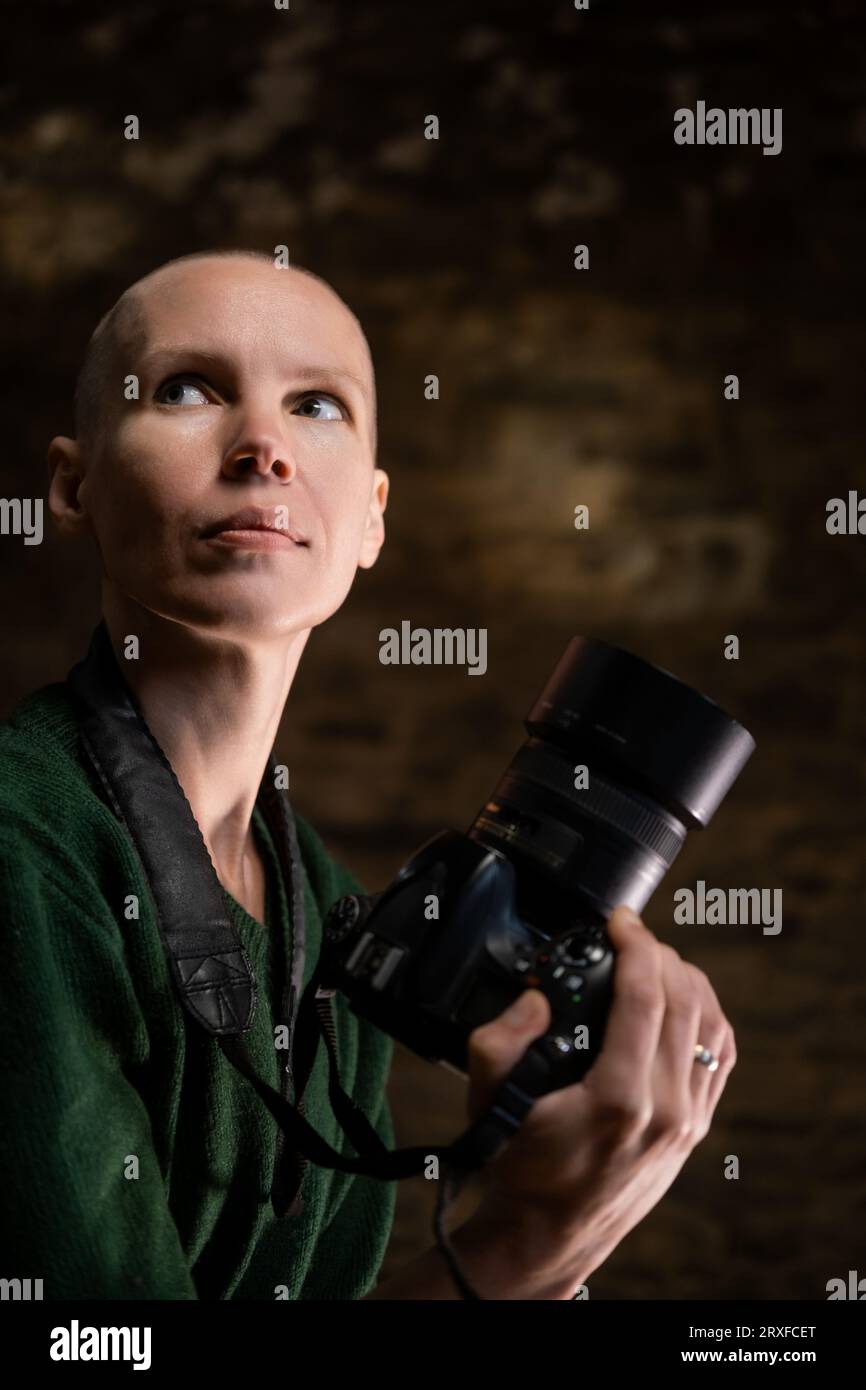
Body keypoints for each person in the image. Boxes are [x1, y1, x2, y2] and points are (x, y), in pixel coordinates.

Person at [0, 250, 736, 1301]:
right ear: (73, 485)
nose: (262, 446)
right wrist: (520, 1244)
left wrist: (563, 1245)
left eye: (315, 406)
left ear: (373, 516)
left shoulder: (334, 910)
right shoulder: (25, 849)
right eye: (188, 389)